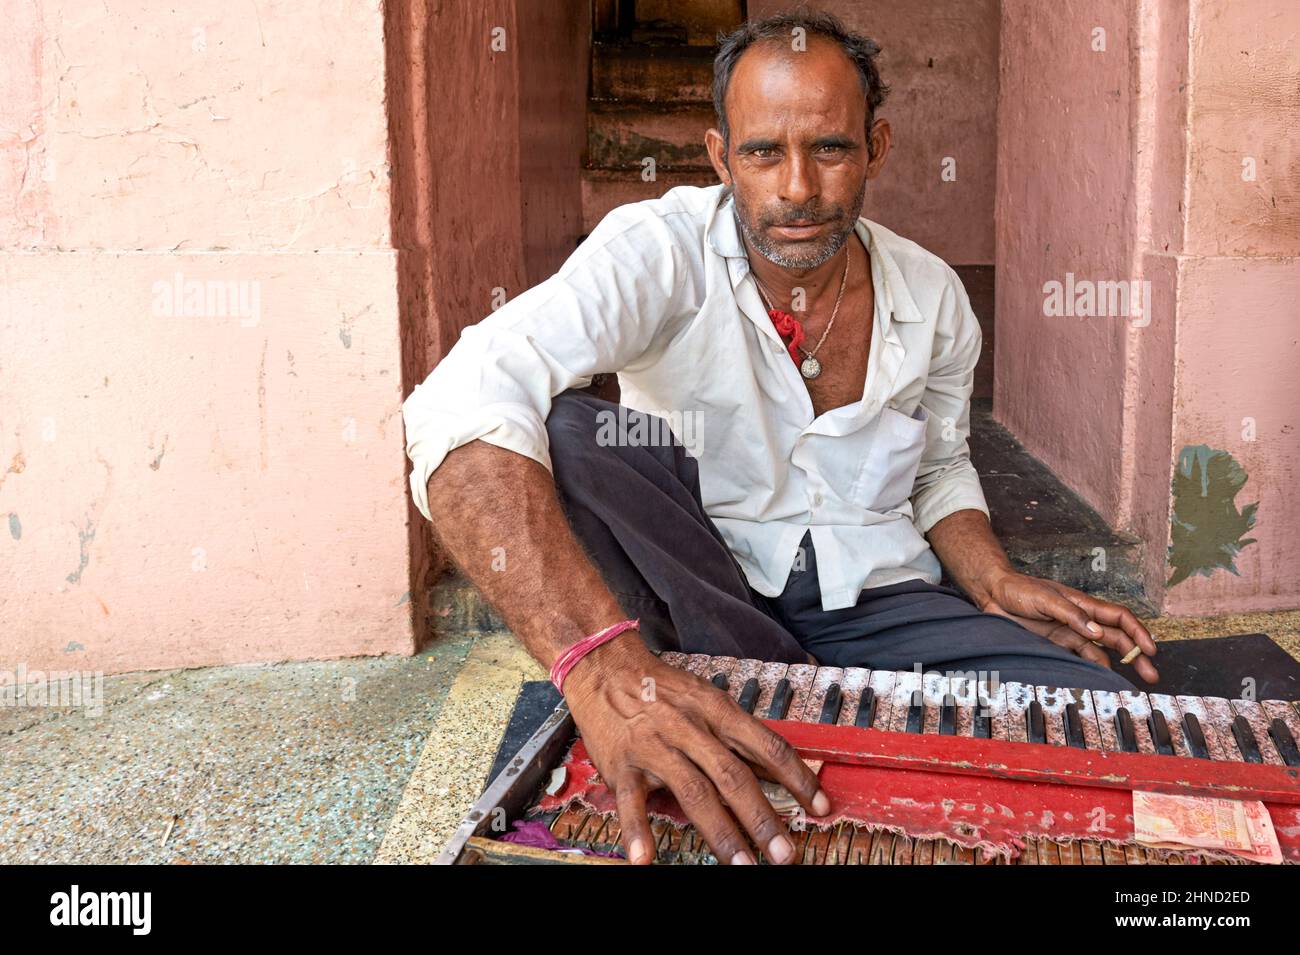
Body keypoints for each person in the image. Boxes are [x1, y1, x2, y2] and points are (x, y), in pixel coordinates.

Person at [401, 10, 1158, 866]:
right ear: (722, 156)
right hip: (695, 596)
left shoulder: (935, 296)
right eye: (764, 152)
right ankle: (666, 690)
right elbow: (457, 398)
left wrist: (992, 578)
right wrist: (594, 664)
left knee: (1109, 721)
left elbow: (941, 463)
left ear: (876, 148)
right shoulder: (659, 251)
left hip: (880, 603)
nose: (797, 187)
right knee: (571, 428)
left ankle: (789, 703)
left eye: (830, 149)